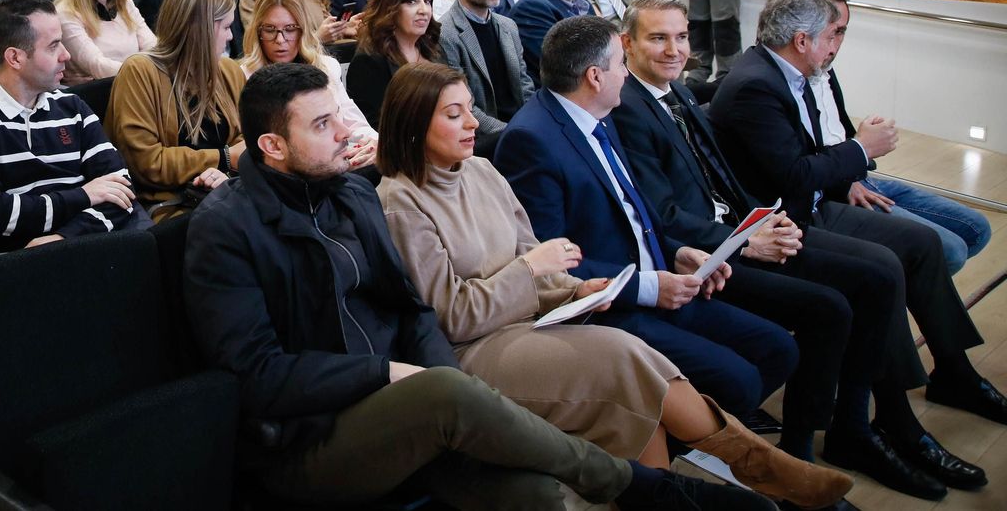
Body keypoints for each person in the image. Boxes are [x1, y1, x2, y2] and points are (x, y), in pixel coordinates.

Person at [185, 60, 770, 511]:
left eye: (339, 114)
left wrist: (441, 377)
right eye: (322, 124)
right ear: (272, 146)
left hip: (408, 400)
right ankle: (646, 488)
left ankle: (662, 483)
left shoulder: (350, 192)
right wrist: (395, 376)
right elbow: (256, 374)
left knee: (534, 492)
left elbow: (413, 311)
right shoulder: (225, 229)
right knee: (451, 393)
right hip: (310, 437)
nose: (345, 132)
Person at [375, 62, 852, 506]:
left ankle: (743, 470)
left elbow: (539, 263)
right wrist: (532, 272)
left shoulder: (480, 170)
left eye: (469, 110)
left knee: (635, 375)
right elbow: (452, 317)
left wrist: (577, 290)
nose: (474, 123)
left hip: (534, 319)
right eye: (454, 115)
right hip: (476, 349)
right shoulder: (400, 202)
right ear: (414, 124)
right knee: (622, 358)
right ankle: (757, 467)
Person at [613, 0, 978, 499]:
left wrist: (766, 220)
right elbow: (665, 215)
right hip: (708, 255)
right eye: (658, 38)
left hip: (747, 229)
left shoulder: (673, 93)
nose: (675, 49)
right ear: (627, 44)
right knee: (839, 300)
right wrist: (744, 239)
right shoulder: (629, 106)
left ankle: (870, 423)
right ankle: (815, 446)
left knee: (881, 271)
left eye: (681, 36)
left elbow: (722, 178)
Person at [708, 0, 1007, 434]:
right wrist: (861, 149)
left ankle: (954, 372)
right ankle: (892, 411)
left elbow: (817, 153)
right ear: (802, 39)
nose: (838, 44)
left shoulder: (793, 72)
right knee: (888, 267)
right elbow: (794, 175)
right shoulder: (758, 83)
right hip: (788, 221)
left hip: (818, 200)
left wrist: (853, 160)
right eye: (835, 33)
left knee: (924, 242)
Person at [493, 16, 798, 425]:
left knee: (779, 348)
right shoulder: (531, 140)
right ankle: (677, 443)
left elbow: (637, 214)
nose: (627, 73)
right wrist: (649, 286)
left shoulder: (598, 113)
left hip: (658, 279)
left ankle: (691, 430)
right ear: (595, 76)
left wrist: (679, 253)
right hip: (611, 305)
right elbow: (551, 263)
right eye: (622, 63)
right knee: (739, 380)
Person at [804, 0, 992, 275]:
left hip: (856, 177)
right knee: (950, 251)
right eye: (831, 30)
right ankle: (886, 301)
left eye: (841, 31)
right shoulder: (786, 81)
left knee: (977, 229)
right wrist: (857, 157)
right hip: (832, 190)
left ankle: (892, 292)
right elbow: (801, 166)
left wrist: (862, 143)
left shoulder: (826, 72)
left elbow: (837, 134)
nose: (835, 43)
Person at [0, 0, 149, 253]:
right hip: (22, 264)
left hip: (91, 247)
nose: (66, 55)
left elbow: (121, 189)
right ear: (15, 58)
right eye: (53, 46)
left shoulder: (72, 106)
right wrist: (85, 195)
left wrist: (63, 238)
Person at [108, 0, 246, 220]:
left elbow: (247, 139)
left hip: (226, 192)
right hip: (171, 206)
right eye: (225, 27)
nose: (231, 37)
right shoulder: (140, 72)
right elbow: (146, 163)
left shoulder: (229, 71)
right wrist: (223, 158)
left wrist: (223, 169)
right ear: (201, 30)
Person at [240, 0, 376, 168]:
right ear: (257, 31)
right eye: (270, 30)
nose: (280, 40)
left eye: (290, 30)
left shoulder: (327, 67)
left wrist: (372, 143)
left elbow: (354, 122)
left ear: (303, 31)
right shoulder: (243, 77)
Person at [440, 0, 534, 159]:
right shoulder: (446, 34)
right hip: (482, 142)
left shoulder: (508, 26)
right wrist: (512, 133)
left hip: (519, 131)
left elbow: (524, 85)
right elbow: (465, 107)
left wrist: (534, 124)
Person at [346, 0, 444, 128]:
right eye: (412, 1)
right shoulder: (369, 62)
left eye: (427, 1)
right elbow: (379, 127)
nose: (424, 10)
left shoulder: (436, 49)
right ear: (390, 7)